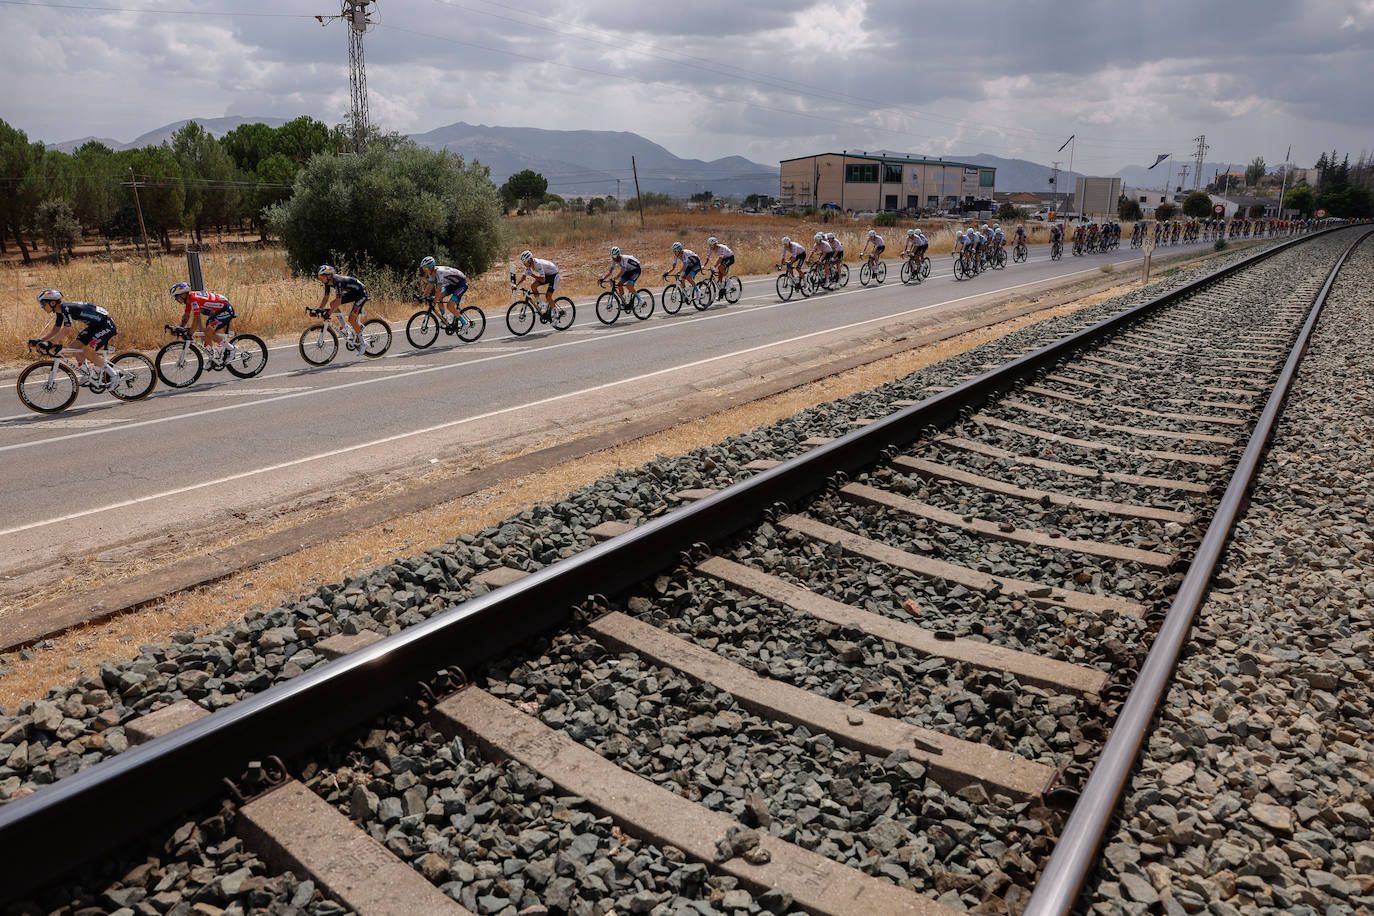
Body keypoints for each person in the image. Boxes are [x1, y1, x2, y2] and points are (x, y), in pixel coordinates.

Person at [32, 289, 117, 376]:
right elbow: (56, 329)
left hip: (107, 326)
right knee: (75, 346)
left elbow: (67, 329)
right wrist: (40, 340)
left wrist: (50, 343)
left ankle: (114, 375)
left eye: (43, 304)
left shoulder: (66, 308)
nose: (42, 307)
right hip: (95, 327)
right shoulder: (60, 310)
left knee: (87, 351)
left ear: (52, 303)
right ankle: (87, 375)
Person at [171, 281, 235, 355]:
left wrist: (190, 333)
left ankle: (232, 349)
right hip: (217, 311)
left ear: (184, 294)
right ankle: (212, 356)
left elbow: (196, 319)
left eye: (176, 296)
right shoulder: (188, 300)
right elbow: (186, 316)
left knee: (208, 331)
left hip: (226, 310)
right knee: (207, 333)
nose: (176, 299)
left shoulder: (194, 299)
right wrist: (180, 327)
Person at [315, 265, 369, 343]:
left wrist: (329, 313)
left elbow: (338, 301)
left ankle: (363, 343)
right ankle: (345, 328)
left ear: (329, 275)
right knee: (332, 303)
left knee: (351, 319)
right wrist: (319, 309)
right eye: (319, 277)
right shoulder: (327, 282)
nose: (321, 279)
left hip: (361, 293)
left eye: (322, 277)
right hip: (353, 293)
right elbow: (326, 297)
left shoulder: (337, 281)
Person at [418, 256, 472, 331]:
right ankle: (445, 319)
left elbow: (438, 290)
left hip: (461, 284)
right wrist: (423, 297)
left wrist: (434, 301)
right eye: (424, 269)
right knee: (439, 298)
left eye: (426, 268)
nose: (425, 271)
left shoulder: (439, 272)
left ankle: (465, 323)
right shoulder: (432, 272)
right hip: (452, 284)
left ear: (431, 267)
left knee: (449, 306)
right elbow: (430, 286)